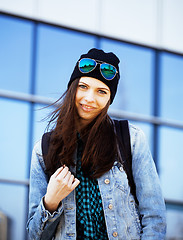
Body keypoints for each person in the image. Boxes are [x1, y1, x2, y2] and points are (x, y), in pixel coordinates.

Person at [26, 48, 166, 240]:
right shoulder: (44, 150)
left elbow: (154, 219)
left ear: (110, 98)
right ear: (72, 88)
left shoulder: (130, 139)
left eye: (101, 91)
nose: (89, 98)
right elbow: (35, 236)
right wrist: (51, 201)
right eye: (83, 87)